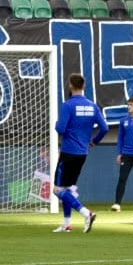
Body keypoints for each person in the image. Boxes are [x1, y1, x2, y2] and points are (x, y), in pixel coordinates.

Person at [53, 73, 107, 232]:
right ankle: (67, 224)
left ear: (70, 85)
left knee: (58, 189)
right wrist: (94, 141)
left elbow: (60, 129)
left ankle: (86, 213)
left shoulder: (68, 105)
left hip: (68, 151)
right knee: (67, 188)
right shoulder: (92, 106)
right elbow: (104, 128)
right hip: (82, 152)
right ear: (83, 86)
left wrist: (57, 124)